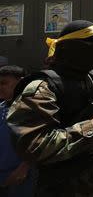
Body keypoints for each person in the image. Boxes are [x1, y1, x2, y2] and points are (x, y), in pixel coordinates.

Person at [7, 20, 93, 197]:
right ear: (72, 48)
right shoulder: (43, 87)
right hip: (62, 187)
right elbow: (34, 146)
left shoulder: (91, 79)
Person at [0, 65, 35, 197]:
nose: (0, 87)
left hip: (19, 176)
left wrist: (24, 168)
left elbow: (38, 142)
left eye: (3, 83)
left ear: (21, 82)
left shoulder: (32, 109)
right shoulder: (1, 107)